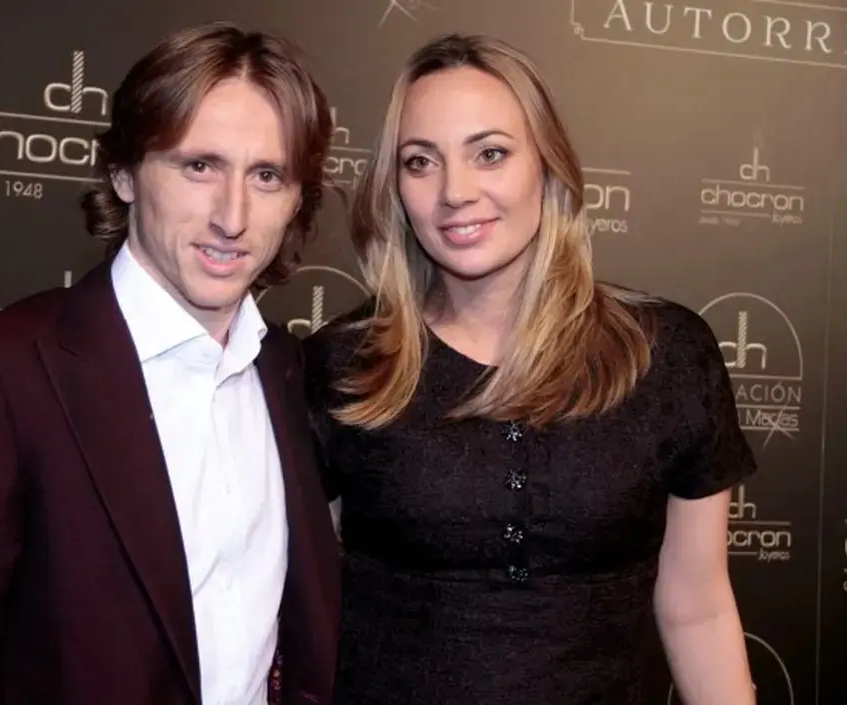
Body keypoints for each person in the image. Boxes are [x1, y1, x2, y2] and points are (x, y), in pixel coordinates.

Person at [0, 22, 340, 705]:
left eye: (266, 175)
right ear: (123, 173)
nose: (233, 215)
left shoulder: (286, 370)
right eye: (199, 166)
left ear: (297, 198)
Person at [304, 32, 757, 705]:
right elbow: (300, 603)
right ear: (395, 188)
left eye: (490, 153)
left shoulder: (665, 354)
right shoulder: (346, 363)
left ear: (547, 164)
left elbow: (698, 606)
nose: (455, 191)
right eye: (420, 161)